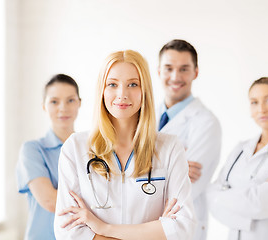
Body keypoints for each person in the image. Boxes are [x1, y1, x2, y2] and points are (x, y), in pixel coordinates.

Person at [54, 50, 196, 240]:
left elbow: (183, 228)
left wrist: (103, 228)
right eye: (112, 84)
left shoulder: (169, 148)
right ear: (102, 90)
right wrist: (158, 230)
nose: (122, 94)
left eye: (133, 84)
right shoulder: (75, 148)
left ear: (144, 90)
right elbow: (69, 232)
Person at [207, 77, 268, 240]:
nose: (261, 109)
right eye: (254, 102)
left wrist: (227, 198)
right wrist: (248, 203)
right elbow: (211, 196)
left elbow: (264, 203)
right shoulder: (241, 149)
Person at [157, 39, 221, 240]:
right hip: (144, 227)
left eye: (184, 69)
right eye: (169, 68)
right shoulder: (143, 117)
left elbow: (184, 191)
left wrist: (146, 167)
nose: (175, 77)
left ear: (196, 72)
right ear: (159, 71)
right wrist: (171, 167)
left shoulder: (206, 123)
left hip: (181, 229)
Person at [16, 74, 81, 240]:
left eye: (70, 100)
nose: (63, 108)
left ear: (79, 103)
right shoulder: (32, 150)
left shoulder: (91, 150)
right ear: (44, 106)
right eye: (54, 101)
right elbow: (50, 201)